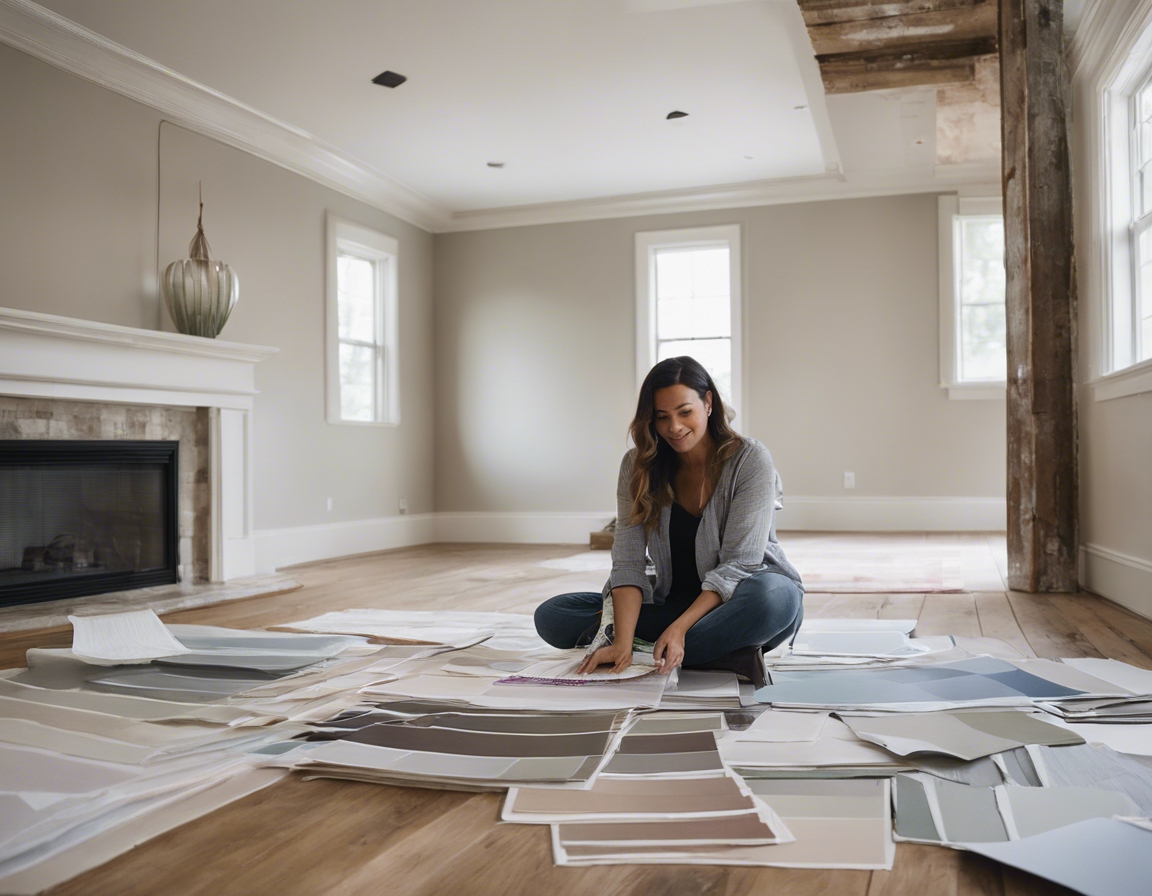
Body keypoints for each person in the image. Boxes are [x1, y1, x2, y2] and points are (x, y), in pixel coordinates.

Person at [533, 356, 804, 685]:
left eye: (684, 412)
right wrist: (621, 643)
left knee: (776, 598)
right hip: (673, 601)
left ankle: (672, 643)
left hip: (739, 601)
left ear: (708, 403)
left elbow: (740, 565)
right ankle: (719, 653)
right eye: (662, 417)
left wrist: (679, 629)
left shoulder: (750, 459)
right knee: (553, 617)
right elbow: (629, 562)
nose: (674, 427)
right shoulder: (637, 466)